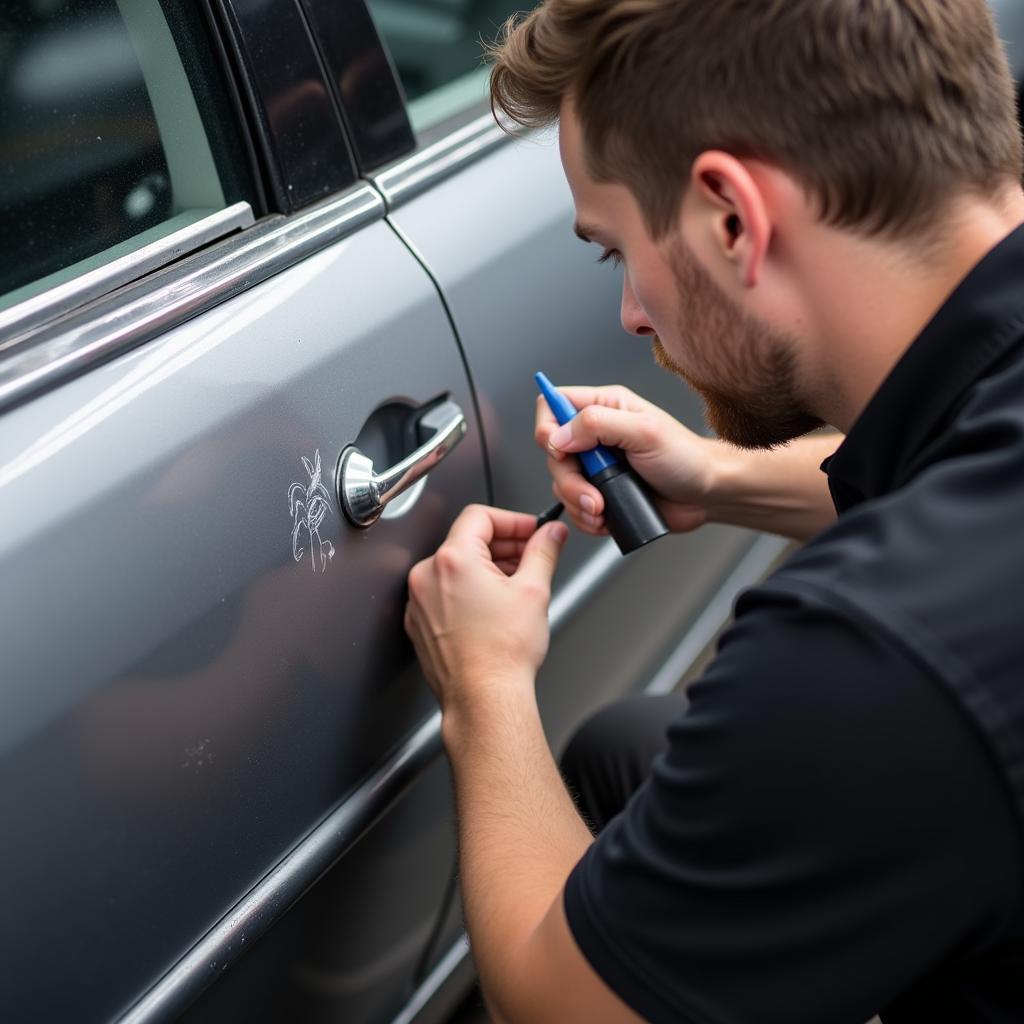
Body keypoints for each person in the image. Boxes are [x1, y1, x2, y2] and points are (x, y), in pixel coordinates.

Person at [402, 2, 1024, 1021]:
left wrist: (483, 686)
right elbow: (953, 461)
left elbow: (568, 1007)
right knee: (625, 752)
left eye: (615, 253)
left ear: (731, 217)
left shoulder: (870, 650)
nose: (632, 314)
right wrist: (718, 477)